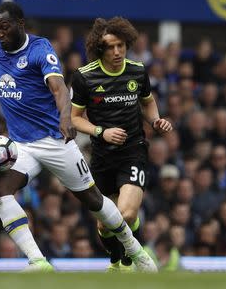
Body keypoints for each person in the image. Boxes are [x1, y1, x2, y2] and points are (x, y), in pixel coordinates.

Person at [0, 2, 157, 272]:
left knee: (96, 202)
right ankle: (38, 261)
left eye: (5, 27)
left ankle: (136, 251)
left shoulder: (40, 49)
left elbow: (59, 89)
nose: (0, 33)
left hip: (55, 141)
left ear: (20, 24)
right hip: (21, 145)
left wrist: (66, 118)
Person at [70, 17, 173, 271]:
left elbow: (147, 102)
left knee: (126, 214)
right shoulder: (85, 77)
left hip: (133, 151)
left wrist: (156, 120)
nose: (117, 52)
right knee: (105, 224)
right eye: (110, 47)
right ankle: (116, 261)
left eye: (121, 46)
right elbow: (73, 119)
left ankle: (128, 261)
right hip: (103, 157)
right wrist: (100, 131)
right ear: (99, 48)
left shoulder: (137, 71)